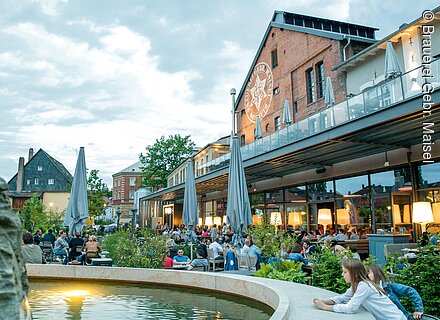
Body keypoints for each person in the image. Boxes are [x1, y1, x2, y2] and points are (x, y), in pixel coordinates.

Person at [313, 259, 406, 319]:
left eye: (345, 272)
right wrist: (323, 301)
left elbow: (351, 308)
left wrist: (325, 307)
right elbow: (343, 298)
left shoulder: (363, 286)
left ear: (355, 274)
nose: (342, 274)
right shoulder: (358, 285)